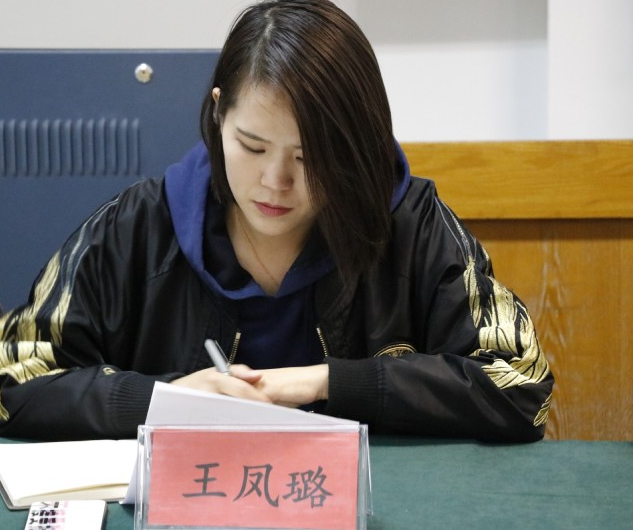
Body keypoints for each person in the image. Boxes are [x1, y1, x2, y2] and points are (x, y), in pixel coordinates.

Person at [0, 0, 553, 442]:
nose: (275, 181)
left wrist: (330, 382)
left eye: (310, 157)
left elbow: (520, 383)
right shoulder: (139, 229)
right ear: (219, 112)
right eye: (252, 146)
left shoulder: (411, 225)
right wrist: (164, 400)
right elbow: (14, 378)